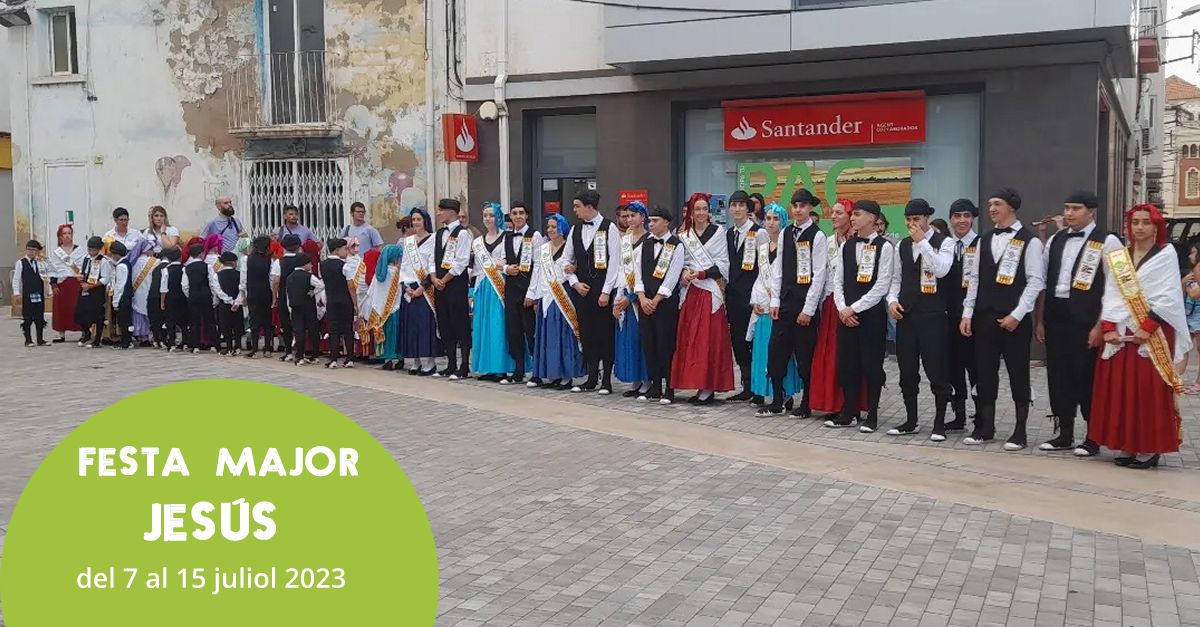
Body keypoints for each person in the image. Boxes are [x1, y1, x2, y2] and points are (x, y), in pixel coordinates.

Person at [1087, 204, 1192, 468]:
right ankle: (1129, 445)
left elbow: (1168, 297)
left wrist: (1147, 326)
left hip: (1153, 331)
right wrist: (1108, 327)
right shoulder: (1121, 256)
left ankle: (1149, 448)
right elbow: (1111, 293)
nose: (1140, 227)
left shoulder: (1166, 254)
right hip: (1122, 334)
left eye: (1146, 222)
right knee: (1122, 390)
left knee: (1147, 392)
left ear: (1157, 227)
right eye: (1135, 223)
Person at [1034, 192, 1123, 456]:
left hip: (1087, 319)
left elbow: (1115, 287)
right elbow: (1045, 281)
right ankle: (1064, 433)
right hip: (1057, 316)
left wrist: (1101, 325)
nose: (1069, 213)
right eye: (1067, 208)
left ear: (1091, 211)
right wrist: (1040, 320)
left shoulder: (1108, 242)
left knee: (1087, 377)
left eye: (1076, 208)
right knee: (1058, 376)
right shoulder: (1056, 239)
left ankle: (1093, 436)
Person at [959, 188, 1046, 450]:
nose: (992, 209)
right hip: (984, 317)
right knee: (985, 372)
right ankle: (986, 426)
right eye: (990, 204)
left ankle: (1020, 430)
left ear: (1011, 207)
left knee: (1018, 373)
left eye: (997, 204)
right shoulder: (983, 240)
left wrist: (1018, 314)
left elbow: (1035, 282)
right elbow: (973, 278)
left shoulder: (1029, 242)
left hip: (1014, 320)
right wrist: (967, 313)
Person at [885, 199, 955, 438]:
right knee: (907, 369)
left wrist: (923, 242)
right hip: (907, 315)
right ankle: (911, 419)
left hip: (933, 315)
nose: (912, 224)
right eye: (909, 220)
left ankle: (939, 422)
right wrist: (892, 301)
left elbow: (942, 269)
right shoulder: (902, 246)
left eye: (917, 219)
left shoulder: (945, 243)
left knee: (936, 368)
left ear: (926, 219)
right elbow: (896, 278)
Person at [826, 200, 896, 433]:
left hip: (870, 317)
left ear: (873, 218)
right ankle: (849, 411)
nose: (852, 218)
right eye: (852, 214)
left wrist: (855, 308)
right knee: (846, 365)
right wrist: (842, 309)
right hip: (845, 315)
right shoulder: (847, 246)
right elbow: (838, 280)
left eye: (857, 214)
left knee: (871, 366)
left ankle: (872, 414)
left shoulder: (885, 247)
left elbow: (882, 285)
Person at [762, 189, 828, 417]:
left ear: (810, 208)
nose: (798, 210)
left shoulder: (817, 236)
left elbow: (819, 275)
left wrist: (809, 309)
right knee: (776, 352)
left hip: (804, 305)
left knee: (804, 357)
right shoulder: (785, 233)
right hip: (785, 303)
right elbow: (778, 269)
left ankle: (807, 402)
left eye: (803, 205)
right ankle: (778, 399)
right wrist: (775, 300)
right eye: (795, 205)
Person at [671, 193, 735, 404]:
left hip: (710, 291)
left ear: (709, 211)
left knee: (709, 340)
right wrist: (683, 273)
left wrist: (700, 274)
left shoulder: (718, 233)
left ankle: (709, 386)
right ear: (690, 211)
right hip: (690, 292)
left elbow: (723, 265)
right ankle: (696, 383)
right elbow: (679, 262)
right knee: (691, 340)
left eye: (704, 209)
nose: (700, 213)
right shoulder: (684, 234)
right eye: (696, 209)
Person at [562, 190, 622, 394]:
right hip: (582, 289)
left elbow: (615, 262)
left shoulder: (609, 228)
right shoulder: (575, 230)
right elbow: (565, 260)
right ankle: (591, 376)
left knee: (604, 334)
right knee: (587, 334)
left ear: (589, 206)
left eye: (577, 205)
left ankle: (606, 379)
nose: (575, 210)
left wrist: (606, 292)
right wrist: (574, 282)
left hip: (602, 288)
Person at [748, 204, 801, 408]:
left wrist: (775, 299)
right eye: (768, 218)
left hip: (780, 309)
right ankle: (767, 392)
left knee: (782, 354)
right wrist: (756, 301)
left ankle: (785, 393)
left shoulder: (788, 247)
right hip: (763, 308)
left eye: (776, 218)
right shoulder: (761, 248)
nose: (771, 223)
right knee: (763, 353)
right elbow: (759, 277)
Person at [808, 198, 856, 418]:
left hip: (850, 304)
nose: (834, 216)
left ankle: (850, 403)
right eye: (833, 213)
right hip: (830, 301)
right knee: (829, 353)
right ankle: (830, 402)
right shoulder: (828, 241)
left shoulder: (858, 241)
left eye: (839, 213)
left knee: (848, 355)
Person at [635, 206, 687, 404]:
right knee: (649, 343)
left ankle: (669, 388)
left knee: (666, 344)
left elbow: (672, 277)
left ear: (666, 222)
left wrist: (656, 299)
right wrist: (641, 297)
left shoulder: (676, 245)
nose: (651, 224)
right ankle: (654, 386)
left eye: (655, 220)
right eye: (650, 220)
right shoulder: (644, 243)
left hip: (665, 303)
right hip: (645, 301)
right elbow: (636, 272)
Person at [527, 213, 585, 389]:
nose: (551, 230)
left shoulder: (569, 247)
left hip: (562, 294)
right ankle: (550, 373)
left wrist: (574, 268)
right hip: (545, 294)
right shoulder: (543, 249)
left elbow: (575, 268)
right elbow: (537, 272)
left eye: (554, 226)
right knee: (546, 337)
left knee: (563, 336)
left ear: (562, 228)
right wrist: (533, 294)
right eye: (549, 227)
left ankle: (566, 375)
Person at [725, 190, 771, 402]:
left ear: (748, 209)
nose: (737, 209)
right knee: (738, 340)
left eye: (741, 205)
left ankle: (759, 388)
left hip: (752, 296)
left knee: (754, 340)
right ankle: (746, 385)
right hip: (733, 295)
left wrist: (760, 297)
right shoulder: (729, 233)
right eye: (734, 205)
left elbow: (764, 268)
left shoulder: (758, 232)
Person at [943, 199, 981, 432]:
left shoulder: (981, 244)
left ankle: (981, 415)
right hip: (948, 317)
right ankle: (958, 415)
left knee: (977, 368)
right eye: (957, 216)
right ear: (951, 219)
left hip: (975, 319)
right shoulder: (945, 245)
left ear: (973, 218)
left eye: (966, 216)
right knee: (953, 368)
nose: (961, 221)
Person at [470, 202, 519, 380]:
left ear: (498, 217)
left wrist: (503, 267)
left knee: (499, 327)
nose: (488, 219)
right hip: (483, 287)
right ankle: (488, 367)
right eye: (485, 216)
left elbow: (510, 260)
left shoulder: (508, 237)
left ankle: (502, 367)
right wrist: (471, 292)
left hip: (501, 287)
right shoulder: (477, 242)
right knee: (483, 327)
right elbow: (474, 269)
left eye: (491, 215)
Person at [611, 202, 651, 397]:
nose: (629, 220)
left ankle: (646, 379)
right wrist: (619, 297)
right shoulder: (625, 240)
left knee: (641, 339)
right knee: (628, 339)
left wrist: (632, 296)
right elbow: (620, 268)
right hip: (624, 290)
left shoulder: (649, 239)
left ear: (643, 216)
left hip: (640, 296)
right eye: (627, 216)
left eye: (633, 216)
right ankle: (634, 379)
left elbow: (647, 272)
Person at [501, 201, 542, 385]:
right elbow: (500, 260)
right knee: (514, 330)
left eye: (521, 213)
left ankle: (537, 371)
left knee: (530, 331)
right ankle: (518, 369)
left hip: (527, 290)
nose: (517, 216)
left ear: (526, 216)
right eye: (514, 213)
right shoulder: (507, 237)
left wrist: (532, 293)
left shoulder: (535, 236)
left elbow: (539, 265)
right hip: (510, 288)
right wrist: (506, 268)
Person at [432, 199, 473, 379]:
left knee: (460, 323)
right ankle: (450, 364)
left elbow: (461, 261)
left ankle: (464, 365)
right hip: (439, 285)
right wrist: (434, 278)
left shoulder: (462, 234)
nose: (439, 213)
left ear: (451, 212)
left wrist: (445, 279)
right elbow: (431, 259)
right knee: (444, 322)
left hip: (455, 284)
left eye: (442, 210)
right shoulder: (439, 233)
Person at [400, 208, 440, 375]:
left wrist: (422, 287)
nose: (415, 222)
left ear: (425, 221)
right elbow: (404, 265)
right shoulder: (407, 241)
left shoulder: (433, 239)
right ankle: (415, 360)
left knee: (425, 326)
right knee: (412, 327)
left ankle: (429, 362)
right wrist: (405, 287)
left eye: (418, 219)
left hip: (425, 289)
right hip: (409, 288)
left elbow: (433, 264)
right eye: (413, 219)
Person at [363, 244, 405, 371]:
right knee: (396, 334)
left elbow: (371, 292)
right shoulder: (398, 273)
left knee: (386, 335)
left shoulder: (380, 273)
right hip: (395, 308)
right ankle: (399, 357)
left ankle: (388, 359)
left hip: (380, 310)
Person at [241, 236, 280, 358]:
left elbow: (243, 278)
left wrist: (243, 294)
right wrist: (274, 296)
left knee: (254, 319)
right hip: (265, 292)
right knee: (267, 320)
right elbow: (271, 279)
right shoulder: (270, 260)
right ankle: (267, 348)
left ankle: (254, 348)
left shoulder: (246, 259)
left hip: (252, 291)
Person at [319, 239, 355, 368]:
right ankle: (349, 358)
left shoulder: (322, 264)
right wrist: (355, 303)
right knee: (347, 329)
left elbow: (324, 282)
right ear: (336, 250)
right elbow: (351, 285)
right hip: (345, 300)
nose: (347, 251)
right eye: (345, 249)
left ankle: (333, 358)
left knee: (333, 329)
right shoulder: (345, 265)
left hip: (331, 300)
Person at [46, 224, 86, 343]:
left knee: (78, 307)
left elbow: (83, 266)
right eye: (64, 233)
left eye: (69, 233)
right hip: (61, 283)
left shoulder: (79, 250)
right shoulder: (56, 253)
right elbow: (52, 268)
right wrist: (53, 284)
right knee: (61, 308)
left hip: (76, 282)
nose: (67, 236)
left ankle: (83, 331)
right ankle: (60, 333)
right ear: (60, 236)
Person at [285, 253, 324, 365]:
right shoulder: (308, 276)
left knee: (299, 331)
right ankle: (315, 355)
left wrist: (290, 307)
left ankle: (299, 356)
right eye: (310, 263)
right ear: (304, 264)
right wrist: (313, 292)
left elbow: (288, 295)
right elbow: (321, 285)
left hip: (295, 306)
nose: (311, 266)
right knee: (313, 330)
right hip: (308, 306)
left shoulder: (290, 277)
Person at [12, 240, 49, 347]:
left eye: (34, 250)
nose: (31, 252)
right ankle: (28, 339)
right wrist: (16, 293)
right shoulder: (21, 262)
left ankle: (40, 339)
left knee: (39, 316)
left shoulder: (40, 262)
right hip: (28, 293)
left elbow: (49, 273)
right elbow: (16, 278)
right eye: (29, 249)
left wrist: (45, 259)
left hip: (39, 292)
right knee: (27, 317)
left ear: (38, 251)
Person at [76, 237, 110, 348]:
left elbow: (105, 279)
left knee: (97, 315)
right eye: (90, 250)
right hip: (84, 289)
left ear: (99, 249)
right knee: (79, 313)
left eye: (94, 250)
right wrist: (80, 277)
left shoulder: (103, 261)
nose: (91, 252)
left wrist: (91, 286)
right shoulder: (86, 259)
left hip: (96, 291)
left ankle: (97, 340)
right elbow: (83, 272)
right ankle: (86, 332)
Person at [182, 242, 216, 353]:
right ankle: (213, 344)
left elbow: (185, 285)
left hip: (193, 296)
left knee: (194, 322)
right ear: (201, 254)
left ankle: (195, 346)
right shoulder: (208, 267)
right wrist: (214, 297)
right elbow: (212, 283)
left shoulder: (186, 268)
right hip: (206, 295)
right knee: (209, 321)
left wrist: (190, 295)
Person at [276, 235, 305, 362]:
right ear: (298, 246)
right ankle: (300, 352)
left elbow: (275, 280)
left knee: (286, 324)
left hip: (284, 294)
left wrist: (274, 296)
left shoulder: (279, 262)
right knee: (300, 324)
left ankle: (288, 351)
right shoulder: (303, 260)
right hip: (301, 296)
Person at [127, 240, 159, 346]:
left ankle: (141, 335)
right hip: (149, 290)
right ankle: (151, 335)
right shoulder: (154, 261)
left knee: (138, 312)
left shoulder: (133, 261)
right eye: (151, 249)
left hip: (136, 291)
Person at [213, 251, 244, 356]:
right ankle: (238, 346)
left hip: (224, 304)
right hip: (237, 304)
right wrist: (237, 301)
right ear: (234, 263)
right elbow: (242, 288)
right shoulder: (239, 274)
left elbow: (218, 290)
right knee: (238, 325)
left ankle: (229, 347)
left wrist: (228, 300)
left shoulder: (217, 275)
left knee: (226, 326)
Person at [159, 247, 188, 351]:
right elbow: (186, 284)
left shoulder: (165, 270)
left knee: (170, 321)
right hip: (182, 297)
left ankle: (171, 343)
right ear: (180, 257)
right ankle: (185, 343)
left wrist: (162, 301)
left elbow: (163, 287)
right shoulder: (184, 268)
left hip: (170, 297)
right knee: (184, 321)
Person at [107, 241, 133, 350]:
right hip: (127, 296)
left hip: (122, 297)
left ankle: (125, 342)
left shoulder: (121, 266)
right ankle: (127, 340)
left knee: (123, 321)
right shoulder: (127, 263)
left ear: (116, 254)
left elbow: (120, 285)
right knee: (126, 320)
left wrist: (115, 301)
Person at [147, 245, 171, 348]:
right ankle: (164, 340)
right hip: (163, 296)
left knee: (155, 320)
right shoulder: (168, 268)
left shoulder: (155, 268)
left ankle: (156, 339)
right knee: (164, 319)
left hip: (152, 296)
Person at [1184, 241, 1200, 394]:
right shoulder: (1192, 272)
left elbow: (1194, 294)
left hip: (1198, 315)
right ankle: (1176, 377)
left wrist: (1186, 285)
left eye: (1193, 253)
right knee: (1183, 347)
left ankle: (1198, 383)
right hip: (1189, 314)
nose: (1190, 255)